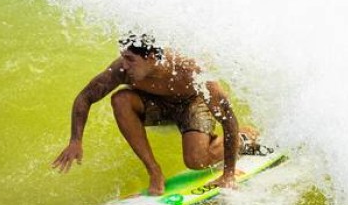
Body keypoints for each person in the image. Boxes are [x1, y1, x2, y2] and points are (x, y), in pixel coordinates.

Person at [51, 33, 259, 195]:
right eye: (123, 57)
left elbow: (227, 116)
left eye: (130, 59)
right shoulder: (122, 71)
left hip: (191, 103)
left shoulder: (189, 69)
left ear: (150, 57)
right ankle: (154, 171)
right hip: (154, 105)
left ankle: (245, 138)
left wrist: (228, 174)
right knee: (120, 99)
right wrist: (75, 140)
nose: (124, 65)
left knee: (196, 160)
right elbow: (85, 97)